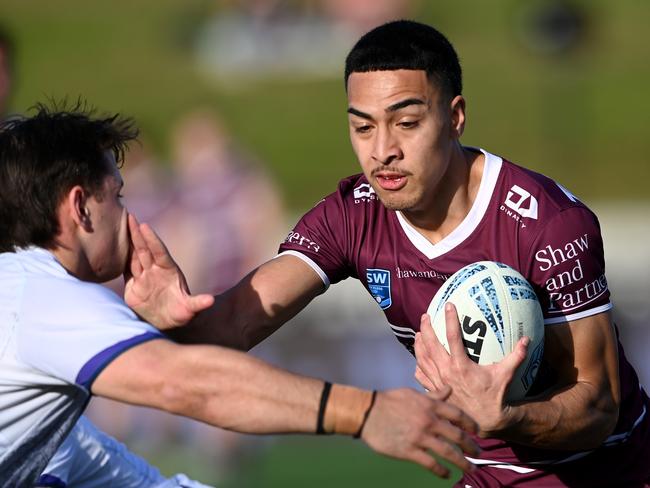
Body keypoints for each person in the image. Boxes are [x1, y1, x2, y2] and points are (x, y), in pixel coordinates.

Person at [139, 20, 650, 487]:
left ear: (455, 118)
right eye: (363, 127)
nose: (382, 150)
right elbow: (232, 326)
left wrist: (505, 416)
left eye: (405, 124)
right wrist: (167, 317)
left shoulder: (548, 223)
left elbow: (599, 405)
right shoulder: (352, 215)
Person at [0, 104, 481, 487]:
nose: (131, 218)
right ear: (81, 208)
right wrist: (365, 413)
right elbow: (184, 385)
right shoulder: (41, 295)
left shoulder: (57, 428)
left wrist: (169, 331)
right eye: (119, 198)